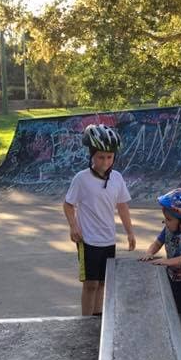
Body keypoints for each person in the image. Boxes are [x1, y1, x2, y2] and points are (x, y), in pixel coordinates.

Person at [63, 123, 136, 315]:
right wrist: (73, 227)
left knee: (104, 283)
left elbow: (122, 206)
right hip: (88, 240)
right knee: (90, 284)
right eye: (100, 157)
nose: (105, 162)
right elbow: (68, 204)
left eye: (109, 157)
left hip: (108, 239)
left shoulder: (117, 178)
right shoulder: (81, 179)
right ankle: (86, 322)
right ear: (92, 156)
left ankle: (98, 319)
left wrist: (130, 232)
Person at [139, 188, 181, 314]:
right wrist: (149, 253)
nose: (165, 222)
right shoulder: (168, 229)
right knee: (169, 307)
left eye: (169, 220)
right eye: (165, 218)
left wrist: (168, 262)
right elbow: (157, 243)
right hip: (172, 276)